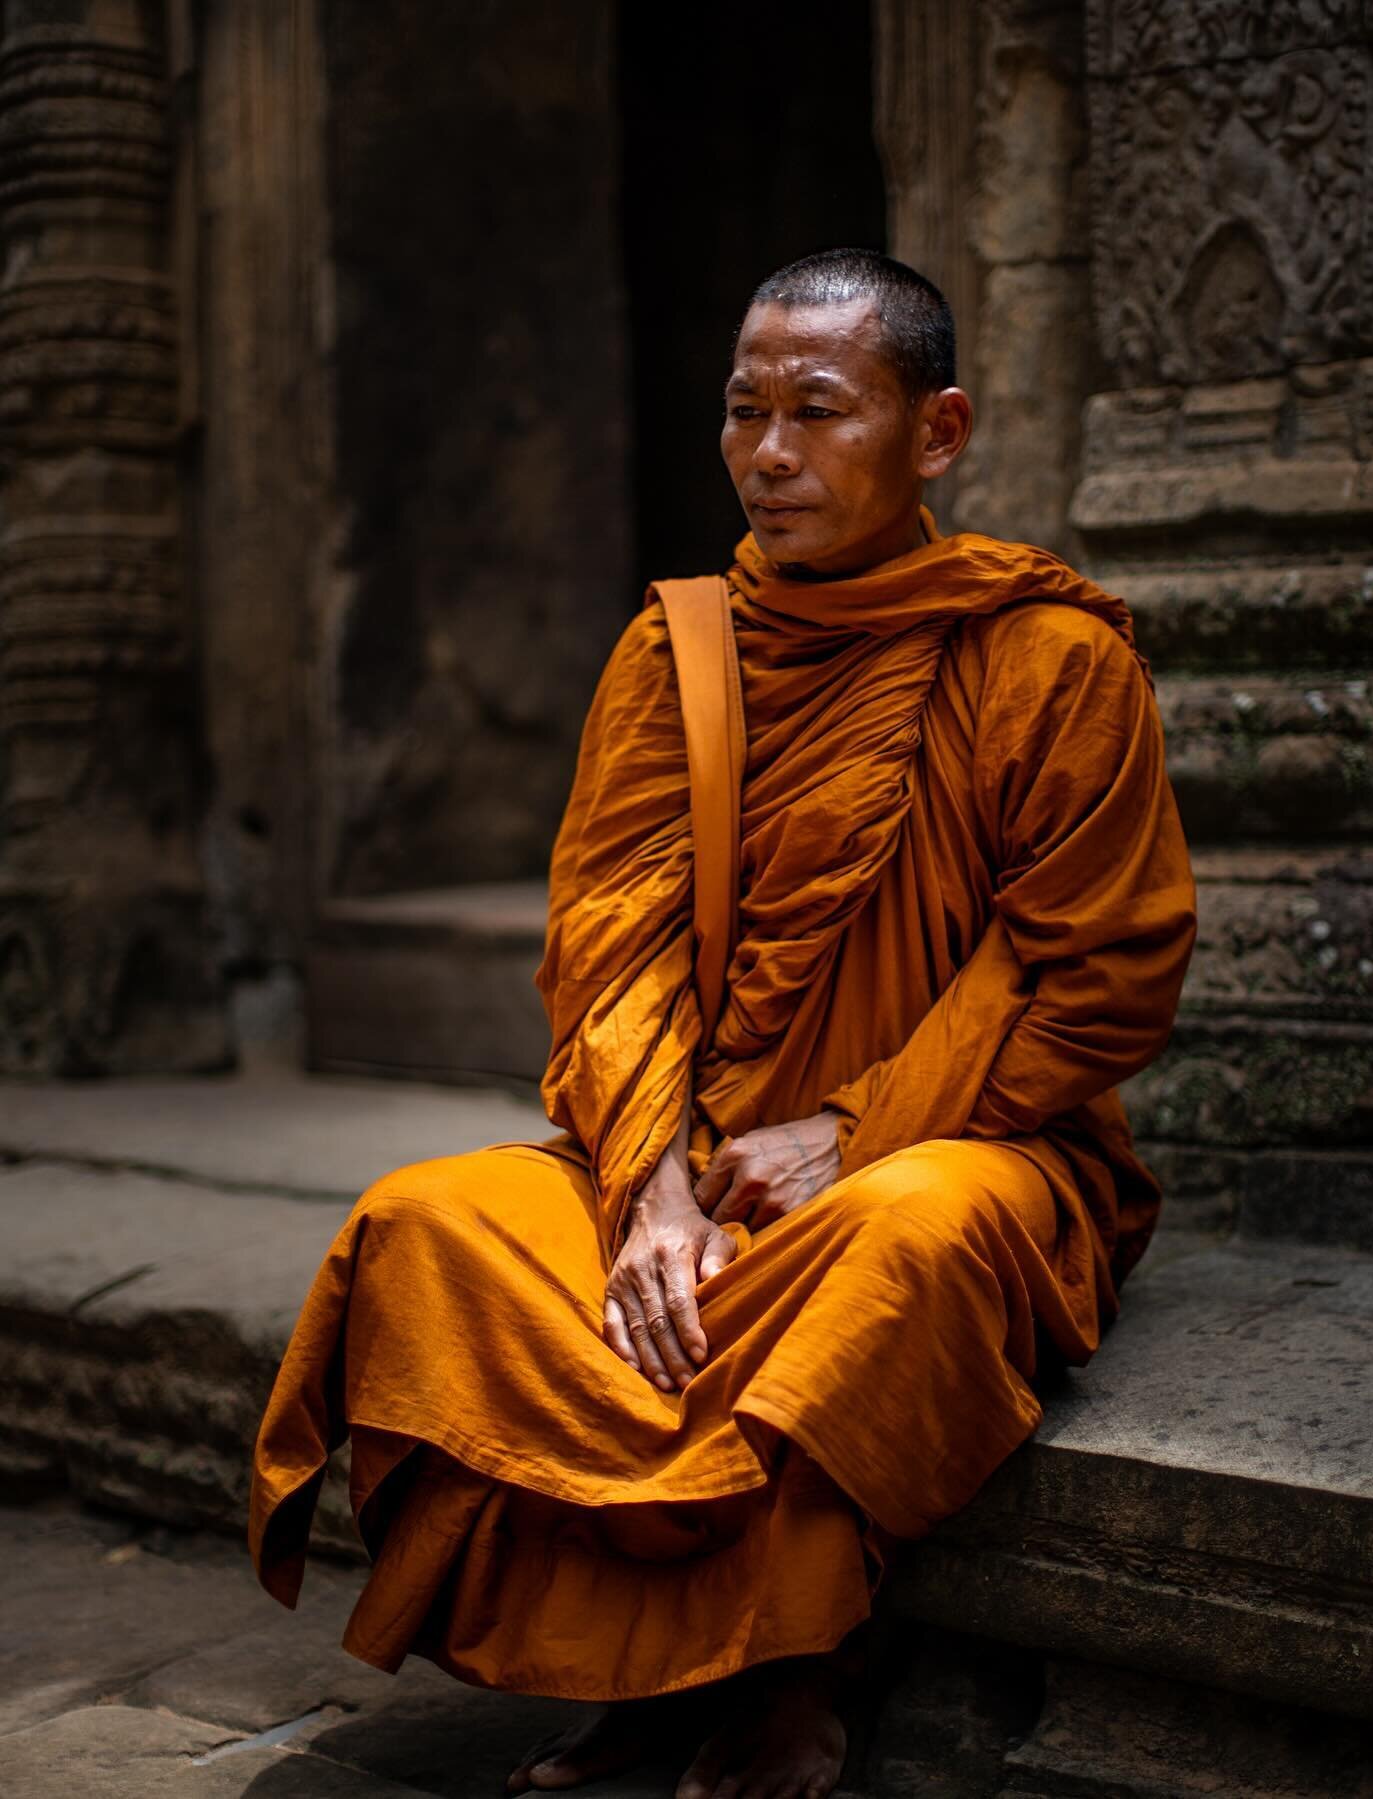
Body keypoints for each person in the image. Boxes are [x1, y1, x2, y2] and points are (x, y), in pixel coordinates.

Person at [249, 248, 1196, 1799]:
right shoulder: (674, 654)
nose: (769, 454)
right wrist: (657, 1187)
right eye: (745, 410)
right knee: (429, 1225)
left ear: (936, 432)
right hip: (691, 1147)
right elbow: (609, 951)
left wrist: (855, 1130)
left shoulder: (1049, 658)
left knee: (909, 1240)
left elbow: (1092, 966)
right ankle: (630, 1665)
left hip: (967, 1141)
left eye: (819, 412)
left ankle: (795, 1673)